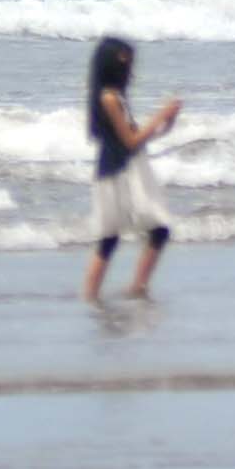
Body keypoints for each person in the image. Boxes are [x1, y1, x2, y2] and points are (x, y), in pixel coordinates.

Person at [81, 35, 178, 303]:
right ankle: (131, 288)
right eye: (126, 62)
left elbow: (138, 138)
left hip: (126, 167)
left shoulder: (115, 97)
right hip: (119, 171)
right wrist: (160, 115)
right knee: (133, 234)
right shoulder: (109, 98)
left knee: (114, 238)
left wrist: (168, 121)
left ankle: (104, 293)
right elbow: (131, 140)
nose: (130, 69)